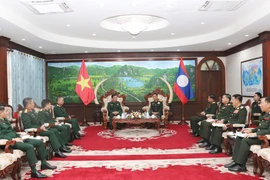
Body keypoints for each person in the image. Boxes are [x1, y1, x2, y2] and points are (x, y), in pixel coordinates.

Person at [0, 105, 56, 178]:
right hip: (10, 142)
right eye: (6, 111)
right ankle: (34, 171)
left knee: (38, 142)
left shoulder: (5, 120)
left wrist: (20, 136)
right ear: (0, 112)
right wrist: (13, 139)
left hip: (17, 139)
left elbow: (11, 131)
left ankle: (44, 163)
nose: (7, 113)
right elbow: (1, 135)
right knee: (29, 147)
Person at [225, 96, 270, 172]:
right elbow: (261, 127)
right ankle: (236, 161)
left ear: (268, 104)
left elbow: (268, 130)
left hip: (265, 138)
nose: (259, 105)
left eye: (261, 103)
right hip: (260, 134)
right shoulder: (265, 114)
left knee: (245, 140)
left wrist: (255, 134)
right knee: (239, 137)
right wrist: (251, 130)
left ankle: (241, 165)